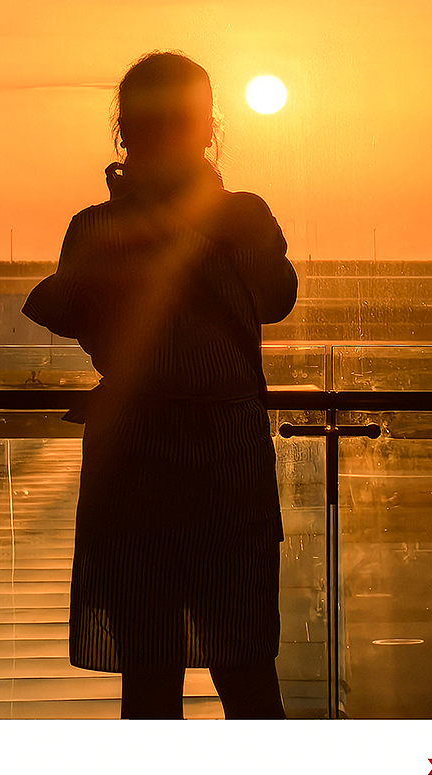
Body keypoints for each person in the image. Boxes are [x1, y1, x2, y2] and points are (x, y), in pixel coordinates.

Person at [23, 51, 297, 719]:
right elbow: (277, 300)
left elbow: (66, 310)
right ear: (208, 128)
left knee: (148, 671)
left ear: (125, 132)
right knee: (245, 665)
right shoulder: (242, 218)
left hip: (135, 453)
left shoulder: (96, 228)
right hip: (227, 455)